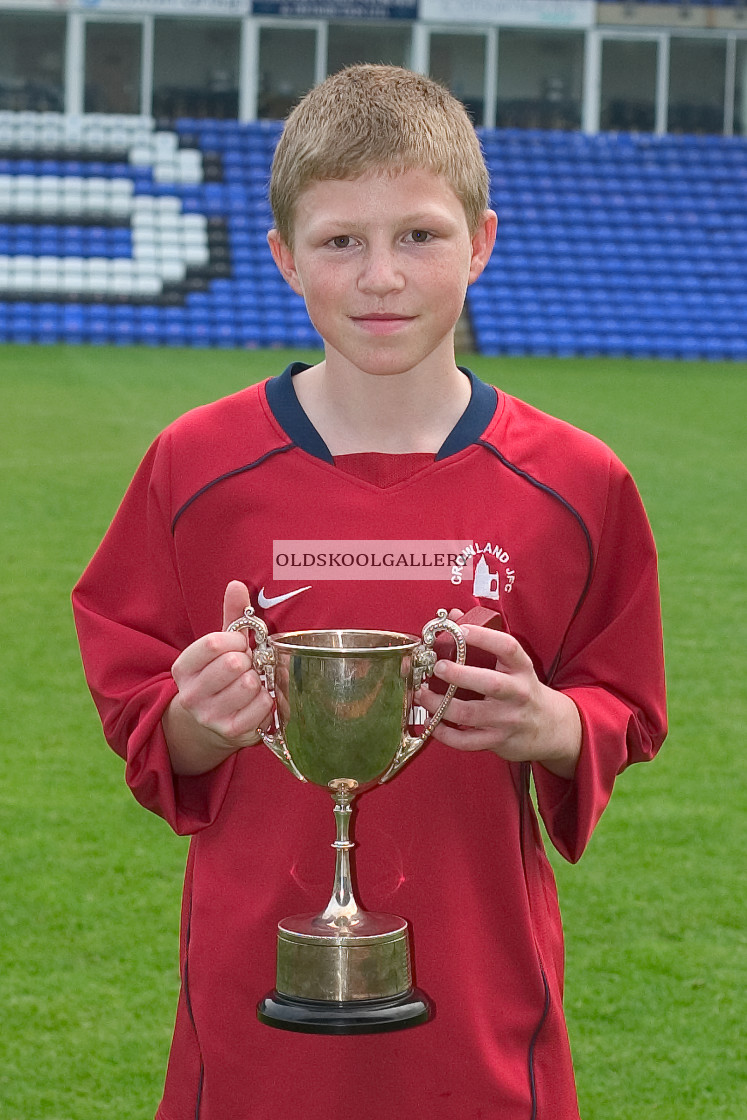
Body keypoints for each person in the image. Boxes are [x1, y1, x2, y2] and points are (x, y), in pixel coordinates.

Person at [72, 64, 667, 1120]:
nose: (381, 275)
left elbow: (626, 705)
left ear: (482, 241)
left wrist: (554, 721)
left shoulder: (578, 483)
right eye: (341, 239)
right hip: (254, 1006)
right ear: (283, 257)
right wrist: (196, 722)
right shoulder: (194, 466)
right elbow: (138, 706)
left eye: (420, 236)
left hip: (484, 1008)